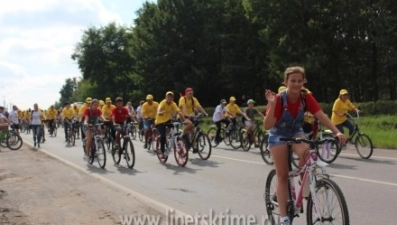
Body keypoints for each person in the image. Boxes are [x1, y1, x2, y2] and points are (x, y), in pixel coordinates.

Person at [264, 66, 346, 225]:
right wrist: (272, 105)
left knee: (309, 154)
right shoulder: (279, 98)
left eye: (299, 81)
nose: (296, 84)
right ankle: (284, 218)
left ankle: (304, 181)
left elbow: (321, 115)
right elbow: (268, 126)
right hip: (278, 134)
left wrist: (336, 132)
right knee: (282, 175)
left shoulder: (305, 97)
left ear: (304, 82)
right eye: (292, 81)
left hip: (295, 132)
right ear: (286, 81)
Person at [155, 91, 185, 158]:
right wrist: (159, 112)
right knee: (163, 136)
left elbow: (178, 111)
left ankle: (175, 142)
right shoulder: (163, 102)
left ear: (173, 98)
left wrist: (184, 120)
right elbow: (159, 108)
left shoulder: (173, 103)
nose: (169, 98)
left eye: (171, 97)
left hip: (167, 121)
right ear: (166, 97)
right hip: (159, 122)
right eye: (168, 97)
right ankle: (162, 152)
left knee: (176, 128)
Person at [178, 87, 208, 152]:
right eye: (190, 93)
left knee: (194, 133)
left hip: (191, 116)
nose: (191, 94)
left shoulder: (193, 99)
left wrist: (205, 113)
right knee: (190, 124)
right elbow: (184, 107)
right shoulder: (182, 99)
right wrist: (186, 115)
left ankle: (194, 147)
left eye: (192, 93)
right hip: (183, 116)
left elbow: (199, 106)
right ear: (186, 93)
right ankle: (182, 134)